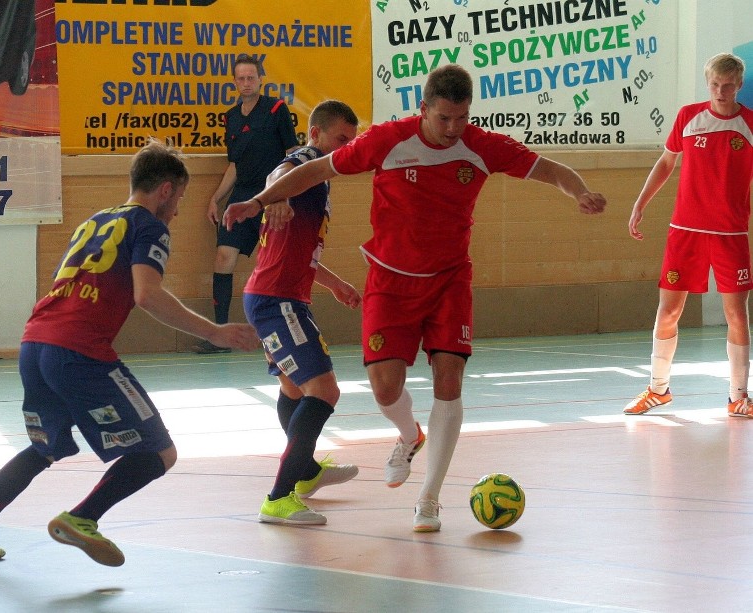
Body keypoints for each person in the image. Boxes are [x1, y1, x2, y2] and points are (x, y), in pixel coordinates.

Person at [225, 64, 607, 532]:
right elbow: (313, 170)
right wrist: (258, 201)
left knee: (450, 380)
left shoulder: (482, 146)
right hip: (389, 281)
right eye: (444, 118)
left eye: (462, 118)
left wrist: (580, 191)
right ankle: (409, 436)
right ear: (423, 109)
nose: (453, 129)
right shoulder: (388, 140)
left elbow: (549, 168)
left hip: (449, 280)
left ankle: (428, 499)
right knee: (386, 388)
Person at [0, 138, 260, 566]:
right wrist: (215, 332)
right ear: (165, 189)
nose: (179, 209)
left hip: (34, 344)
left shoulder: (92, 222)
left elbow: (70, 285)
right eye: (180, 197)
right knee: (158, 452)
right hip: (77, 351)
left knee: (42, 448)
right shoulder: (148, 226)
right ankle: (82, 518)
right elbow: (147, 295)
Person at [244, 100, 362, 525]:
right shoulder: (304, 162)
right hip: (278, 302)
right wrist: (273, 196)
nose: (346, 149)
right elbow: (281, 172)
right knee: (324, 391)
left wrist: (334, 284)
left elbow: (298, 251)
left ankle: (307, 473)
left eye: (352, 142)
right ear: (315, 135)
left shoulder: (320, 182)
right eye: (340, 140)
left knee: (294, 392)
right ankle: (279, 498)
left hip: (278, 295)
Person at [624, 53, 753, 417]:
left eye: (728, 85)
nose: (720, 91)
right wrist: (640, 203)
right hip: (686, 230)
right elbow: (666, 162)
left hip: (731, 233)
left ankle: (739, 396)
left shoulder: (750, 124)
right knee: (669, 311)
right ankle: (658, 389)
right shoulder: (688, 117)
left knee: (737, 315)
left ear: (739, 85)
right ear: (707, 83)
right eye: (714, 84)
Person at [197, 54, 299, 354]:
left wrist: (284, 195)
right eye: (240, 78)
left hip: (271, 197)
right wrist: (215, 198)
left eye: (250, 78)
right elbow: (235, 165)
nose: (245, 83)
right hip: (241, 198)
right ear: (234, 82)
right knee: (223, 258)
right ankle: (220, 336)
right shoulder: (230, 117)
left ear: (260, 79)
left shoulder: (277, 109)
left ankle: (282, 334)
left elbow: (293, 153)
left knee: (274, 267)